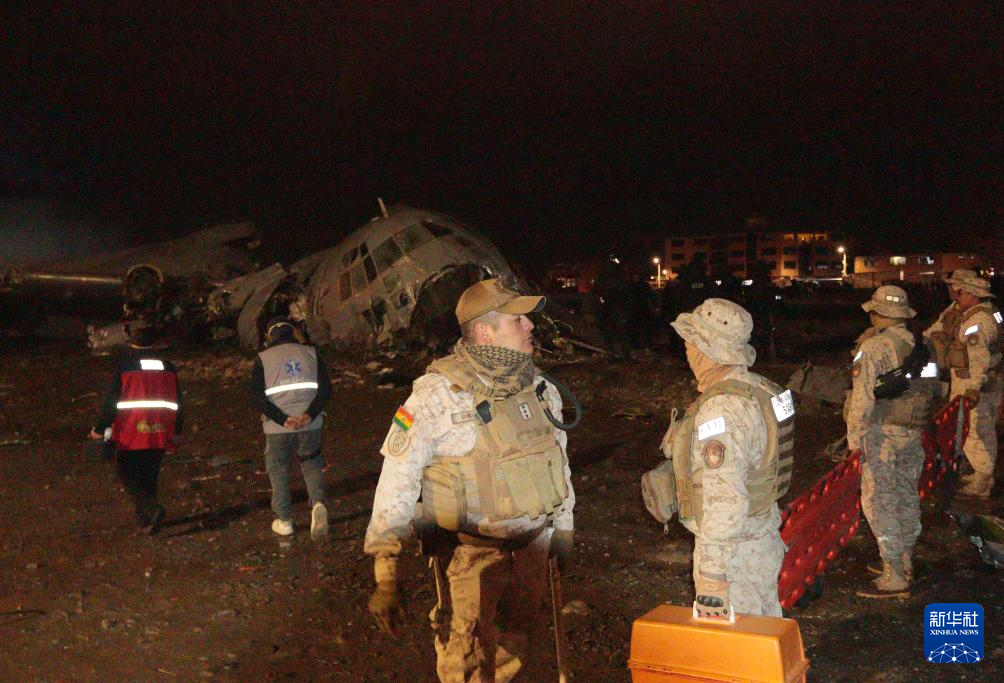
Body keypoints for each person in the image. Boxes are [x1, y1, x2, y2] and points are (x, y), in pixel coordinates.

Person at [364, 278, 576, 682]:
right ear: (484, 332)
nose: (531, 325)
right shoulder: (436, 396)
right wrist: (385, 570)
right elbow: (397, 482)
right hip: (470, 558)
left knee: (513, 648)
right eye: (517, 320)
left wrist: (563, 530)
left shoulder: (540, 388)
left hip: (531, 551)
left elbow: (559, 462)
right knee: (465, 657)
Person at [665, 298, 792, 618]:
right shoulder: (763, 389)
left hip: (735, 555)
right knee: (762, 629)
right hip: (761, 534)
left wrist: (712, 572)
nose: (687, 351)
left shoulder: (722, 409)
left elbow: (724, 498)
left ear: (706, 350)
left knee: (735, 641)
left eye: (691, 343)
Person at [844, 286, 938, 597]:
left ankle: (894, 574)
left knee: (879, 503)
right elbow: (934, 388)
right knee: (906, 496)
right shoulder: (923, 345)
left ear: (877, 313)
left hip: (881, 435)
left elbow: (862, 400)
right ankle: (905, 561)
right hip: (913, 431)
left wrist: (854, 441)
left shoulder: (873, 347)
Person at [88, 331, 182, 535]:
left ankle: (151, 510)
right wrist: (177, 430)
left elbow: (112, 401)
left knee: (127, 472)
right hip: (161, 429)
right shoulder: (169, 368)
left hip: (131, 431)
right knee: (150, 475)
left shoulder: (125, 367)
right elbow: (178, 401)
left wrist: (99, 428)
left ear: (132, 345)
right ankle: (147, 520)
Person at [250, 317, 331, 540]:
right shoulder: (311, 353)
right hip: (310, 424)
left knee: (278, 469)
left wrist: (283, 419)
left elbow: (256, 396)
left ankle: (284, 520)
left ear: (270, 335)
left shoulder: (263, 358)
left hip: (278, 428)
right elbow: (325, 389)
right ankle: (318, 504)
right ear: (292, 332)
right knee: (312, 463)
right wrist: (309, 414)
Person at [924, 270, 1002, 499]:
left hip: (975, 382)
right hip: (966, 379)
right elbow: (934, 331)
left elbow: (979, 359)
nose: (952, 293)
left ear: (970, 293)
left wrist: (972, 389)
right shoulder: (961, 311)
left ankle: (982, 480)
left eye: (957, 290)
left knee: (974, 430)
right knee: (973, 428)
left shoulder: (979, 321)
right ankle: (982, 473)